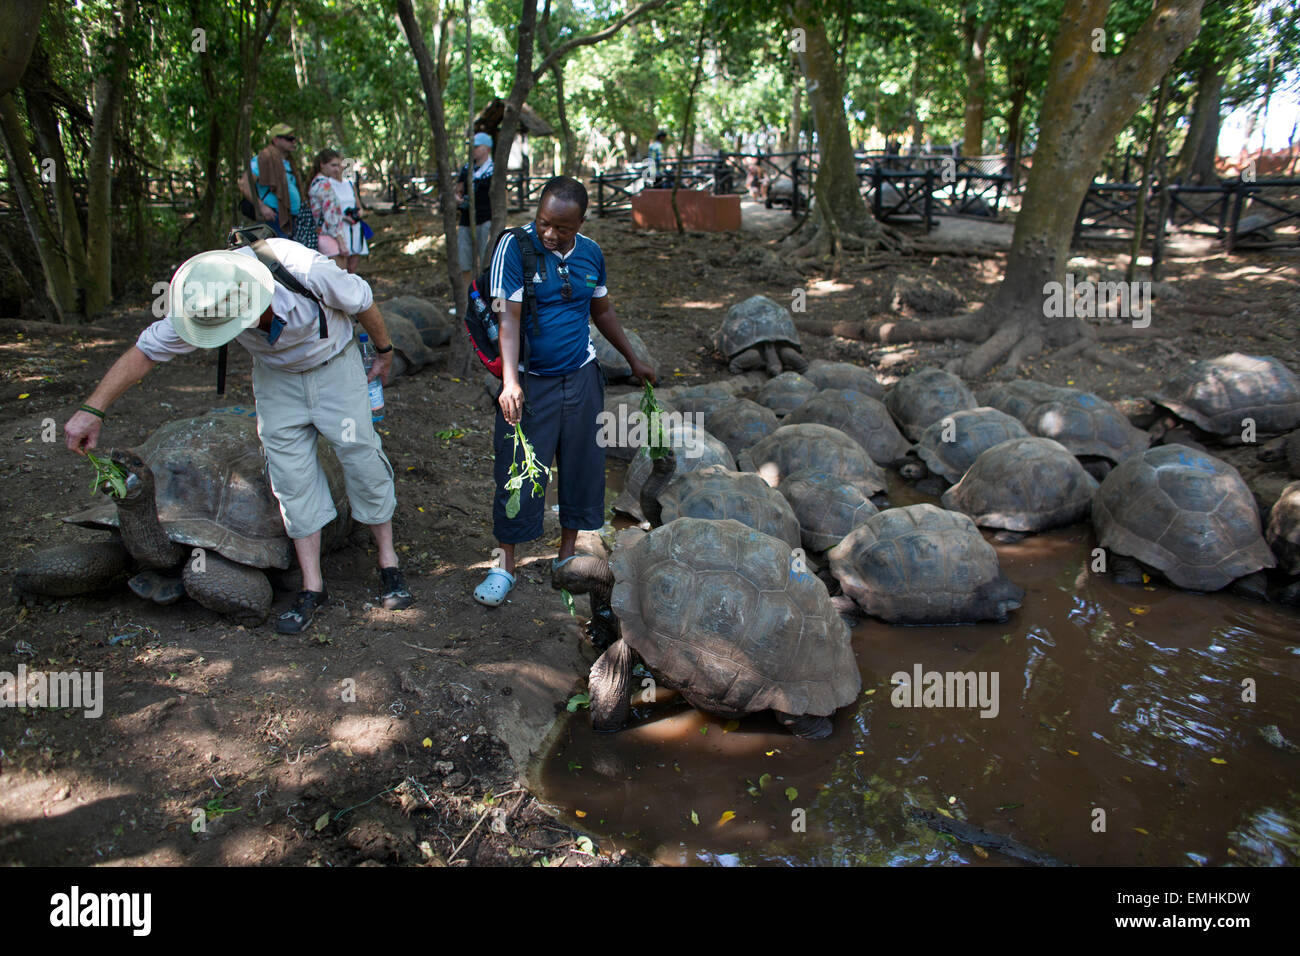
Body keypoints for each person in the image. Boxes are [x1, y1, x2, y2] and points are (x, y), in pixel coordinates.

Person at [63, 237, 413, 633]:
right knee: (289, 477)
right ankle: (312, 587)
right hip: (277, 379)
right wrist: (92, 410)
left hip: (335, 366)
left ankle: (388, 562)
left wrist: (384, 350)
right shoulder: (209, 303)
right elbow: (146, 352)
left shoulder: (305, 270)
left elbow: (363, 302)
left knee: (362, 458)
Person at [473, 176, 655, 607]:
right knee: (518, 471)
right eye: (544, 222)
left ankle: (566, 556)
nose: (550, 233)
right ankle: (506, 565)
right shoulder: (515, 248)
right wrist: (511, 381)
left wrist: (633, 359)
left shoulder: (591, 254)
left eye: (562, 228)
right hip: (531, 381)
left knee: (582, 467)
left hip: (581, 376)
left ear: (580, 224)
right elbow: (509, 320)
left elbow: (602, 309)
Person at [240, 123, 312, 243]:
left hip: (290, 218)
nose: (293, 142)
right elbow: (244, 183)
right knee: (277, 258)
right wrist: (261, 206)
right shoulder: (264, 159)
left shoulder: (288, 162)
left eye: (294, 139)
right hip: (274, 217)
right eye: (289, 139)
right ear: (276, 140)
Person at [309, 149, 369, 273]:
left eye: (338, 165)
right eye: (333, 165)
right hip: (330, 238)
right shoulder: (324, 184)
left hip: (325, 236)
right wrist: (341, 243)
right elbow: (331, 218)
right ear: (322, 165)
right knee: (340, 281)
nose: (336, 169)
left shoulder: (316, 182)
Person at [455, 131, 494, 292]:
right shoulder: (466, 168)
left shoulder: (493, 170)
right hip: (466, 220)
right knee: (465, 261)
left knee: (486, 261)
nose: (474, 150)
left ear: (486, 148)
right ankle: (468, 298)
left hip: (486, 219)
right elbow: (458, 190)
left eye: (477, 147)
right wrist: (458, 199)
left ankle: (486, 296)